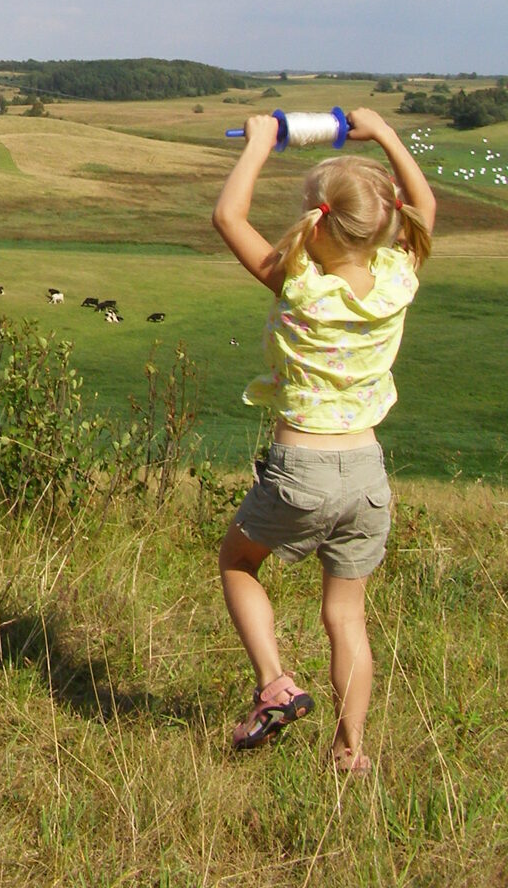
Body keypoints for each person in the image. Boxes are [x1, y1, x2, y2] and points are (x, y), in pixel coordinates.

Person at [211, 108, 436, 772]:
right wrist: (386, 134)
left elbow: (228, 218)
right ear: (389, 221)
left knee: (237, 563)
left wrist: (256, 144)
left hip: (300, 464)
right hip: (368, 471)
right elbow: (423, 204)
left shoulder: (298, 283)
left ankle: (275, 684)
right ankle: (349, 750)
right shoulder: (400, 277)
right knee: (346, 616)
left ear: (315, 220)